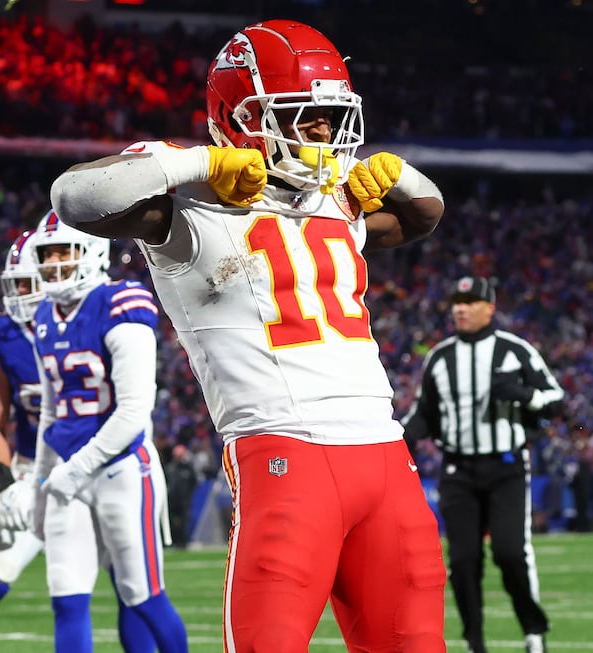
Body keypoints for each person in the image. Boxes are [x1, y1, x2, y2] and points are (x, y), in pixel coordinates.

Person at [49, 19, 448, 653]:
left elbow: (427, 212)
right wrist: (197, 161)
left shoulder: (334, 199)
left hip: (387, 457)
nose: (324, 131)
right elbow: (74, 196)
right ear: (240, 117)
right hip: (286, 453)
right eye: (305, 114)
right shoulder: (188, 203)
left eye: (330, 115)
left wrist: (395, 175)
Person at [0, 225, 157, 653]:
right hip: (35, 470)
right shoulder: (6, 335)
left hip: (108, 466)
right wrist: (5, 483)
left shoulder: (99, 313)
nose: (23, 295)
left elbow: (133, 405)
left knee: (129, 590)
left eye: (30, 282)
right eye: (19, 283)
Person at [28, 212, 188, 653]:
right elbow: (50, 410)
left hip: (121, 470)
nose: (55, 263)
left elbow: (134, 410)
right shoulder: (44, 314)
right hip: (65, 473)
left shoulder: (120, 301)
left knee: (142, 594)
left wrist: (75, 470)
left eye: (64, 251)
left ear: (92, 250)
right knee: (67, 595)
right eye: (47, 254)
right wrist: (39, 488)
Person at [402, 276, 564, 653]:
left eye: (470, 301)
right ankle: (475, 642)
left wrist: (525, 396)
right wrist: (400, 437)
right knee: (462, 560)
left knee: (510, 551)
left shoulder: (515, 349)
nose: (460, 308)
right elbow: (422, 414)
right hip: (457, 471)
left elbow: (556, 399)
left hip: (506, 467)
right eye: (457, 301)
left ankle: (533, 632)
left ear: (489, 307)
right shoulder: (440, 356)